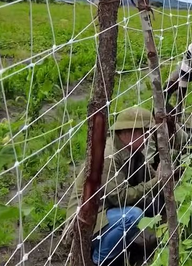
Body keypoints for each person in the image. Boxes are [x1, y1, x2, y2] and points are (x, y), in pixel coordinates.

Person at [66, 106, 162, 266]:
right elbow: (120, 197)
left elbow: (148, 178)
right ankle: (100, 259)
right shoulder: (108, 156)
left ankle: (126, 245)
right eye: (145, 133)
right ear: (128, 133)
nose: (149, 138)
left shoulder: (132, 151)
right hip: (88, 219)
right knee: (133, 215)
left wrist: (161, 178)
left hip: (108, 210)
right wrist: (157, 182)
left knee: (154, 204)